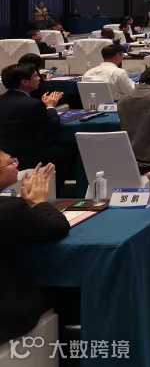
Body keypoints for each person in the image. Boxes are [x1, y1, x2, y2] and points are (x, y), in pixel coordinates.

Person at [0, 152, 69, 345]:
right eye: (11, 163)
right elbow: (57, 227)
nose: (17, 165)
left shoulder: (11, 208)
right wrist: (38, 203)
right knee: (65, 292)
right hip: (8, 314)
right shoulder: (10, 209)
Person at [0, 64, 69, 194]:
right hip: (30, 158)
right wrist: (50, 107)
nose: (39, 79)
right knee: (67, 149)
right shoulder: (32, 104)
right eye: (36, 76)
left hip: (4, 158)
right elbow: (52, 126)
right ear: (24, 82)